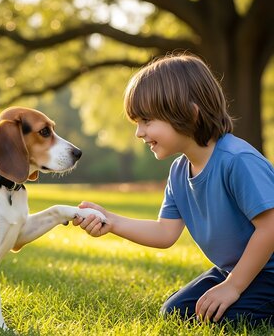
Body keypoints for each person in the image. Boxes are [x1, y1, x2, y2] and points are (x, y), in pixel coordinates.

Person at [73, 53, 274, 326]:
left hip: (268, 271)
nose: (139, 133)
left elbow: (270, 227)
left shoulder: (237, 160)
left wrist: (234, 287)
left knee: (228, 318)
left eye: (146, 120)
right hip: (234, 269)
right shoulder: (179, 172)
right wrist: (110, 221)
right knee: (176, 312)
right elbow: (165, 232)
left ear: (189, 114)